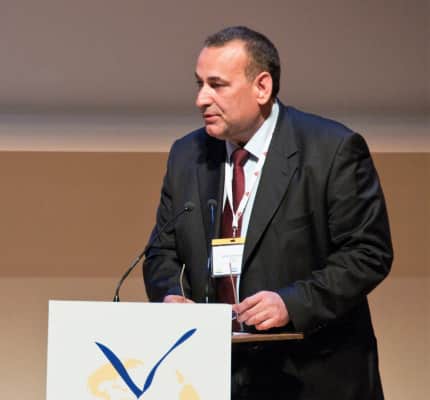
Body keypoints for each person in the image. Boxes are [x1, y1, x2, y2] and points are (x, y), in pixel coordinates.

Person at [143, 26, 393, 399]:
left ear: (262, 87)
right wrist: (171, 296)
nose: (201, 99)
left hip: (310, 375)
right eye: (199, 84)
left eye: (217, 85)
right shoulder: (187, 155)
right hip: (216, 376)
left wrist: (291, 303)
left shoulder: (332, 150)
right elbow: (161, 252)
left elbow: (368, 253)